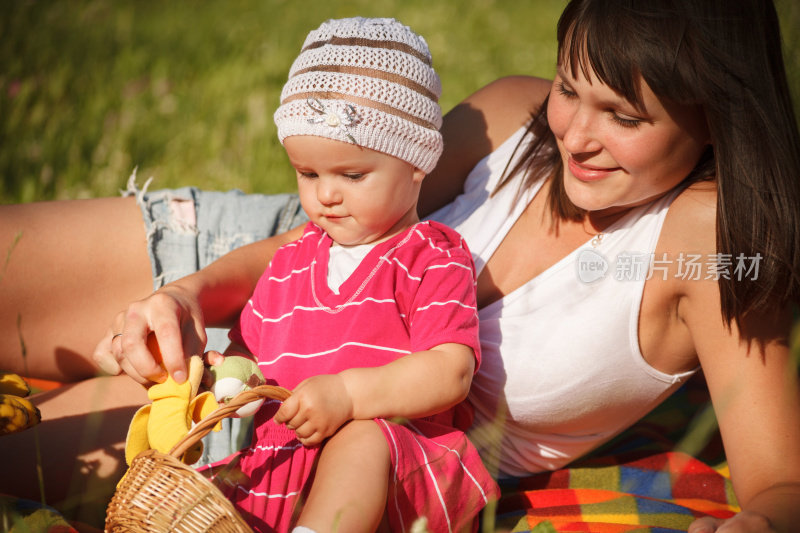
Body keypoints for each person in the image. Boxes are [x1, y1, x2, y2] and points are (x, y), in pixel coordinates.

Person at [1, 0, 799, 531]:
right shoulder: (510, 114)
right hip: (263, 262)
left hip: (284, 416)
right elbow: (322, 223)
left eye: (625, 116)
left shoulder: (702, 242)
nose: (575, 136)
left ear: (715, 117)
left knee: (24, 453)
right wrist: (184, 292)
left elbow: (780, 486)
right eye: (570, 88)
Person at [194, 16, 496, 533]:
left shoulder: (431, 255)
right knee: (207, 494)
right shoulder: (290, 264)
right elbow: (252, 355)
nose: (326, 194)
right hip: (291, 471)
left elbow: (451, 371)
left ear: (416, 163)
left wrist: (350, 397)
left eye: (352, 175)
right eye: (308, 174)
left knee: (361, 438)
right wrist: (229, 380)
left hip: (399, 474)